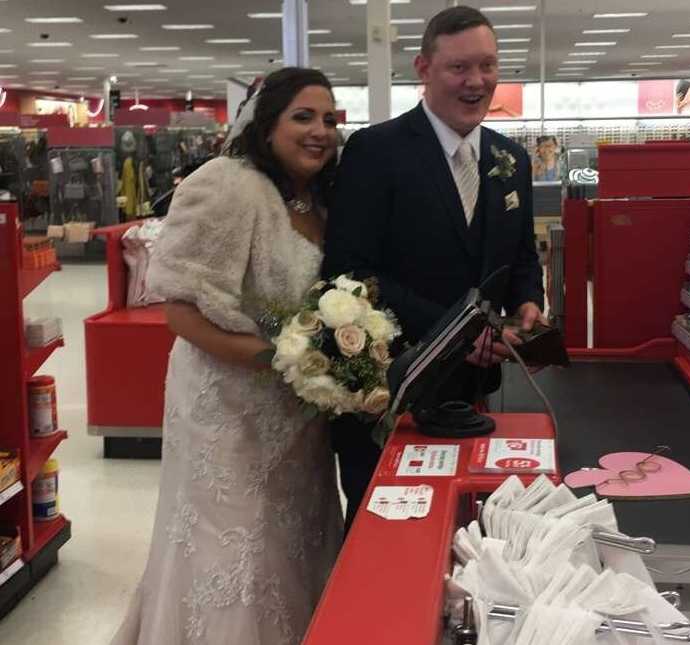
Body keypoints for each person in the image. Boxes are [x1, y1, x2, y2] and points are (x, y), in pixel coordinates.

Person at [110, 67, 343, 645]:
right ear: (266, 126)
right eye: (304, 117)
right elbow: (181, 314)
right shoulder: (227, 184)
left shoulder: (319, 199)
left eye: (331, 119)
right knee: (235, 549)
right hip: (226, 414)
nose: (321, 131)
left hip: (297, 417)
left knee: (294, 540)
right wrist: (284, 359)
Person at [323, 5, 544, 531]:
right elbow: (351, 272)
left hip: (472, 385)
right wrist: (455, 332)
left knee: (460, 522)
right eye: (459, 68)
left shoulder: (510, 157)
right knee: (382, 527)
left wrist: (529, 301)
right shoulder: (375, 152)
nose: (477, 81)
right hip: (385, 385)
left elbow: (520, 256)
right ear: (423, 68)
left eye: (488, 66)